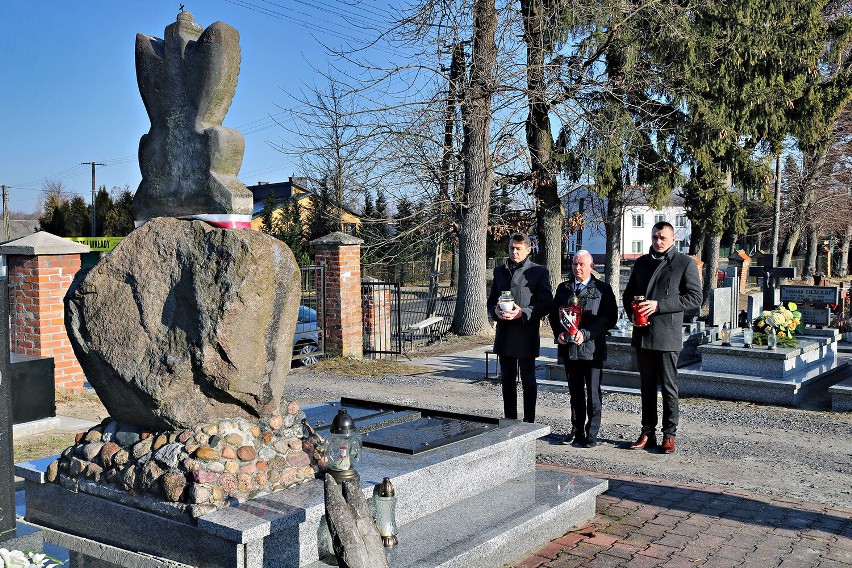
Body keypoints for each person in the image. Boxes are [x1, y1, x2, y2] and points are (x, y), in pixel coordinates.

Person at [622, 221, 702, 454]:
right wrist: (634, 313)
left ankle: (669, 434)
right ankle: (648, 432)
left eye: (663, 238)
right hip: (643, 334)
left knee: (668, 387)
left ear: (673, 239)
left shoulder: (684, 263)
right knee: (646, 387)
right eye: (655, 237)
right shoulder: (641, 263)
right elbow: (628, 295)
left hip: (667, 335)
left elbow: (695, 297)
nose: (658, 242)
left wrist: (659, 306)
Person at [549, 250, 617, 448]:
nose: (577, 268)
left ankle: (592, 432)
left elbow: (609, 318)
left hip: (592, 350)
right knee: (575, 392)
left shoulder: (602, 289)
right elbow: (555, 315)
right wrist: (559, 334)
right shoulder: (564, 288)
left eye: (581, 265)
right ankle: (576, 430)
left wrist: (586, 333)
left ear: (591, 266)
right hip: (570, 349)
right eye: (574, 264)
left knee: (593, 394)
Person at [488, 233, 553, 423]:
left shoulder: (539, 272)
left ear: (528, 250)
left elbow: (546, 303)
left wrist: (523, 312)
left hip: (526, 332)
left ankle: (529, 422)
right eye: (511, 248)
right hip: (505, 333)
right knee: (507, 380)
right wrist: (495, 312)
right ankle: (509, 420)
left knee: (528, 380)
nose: (514, 252)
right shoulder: (500, 271)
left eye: (518, 249)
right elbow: (492, 300)